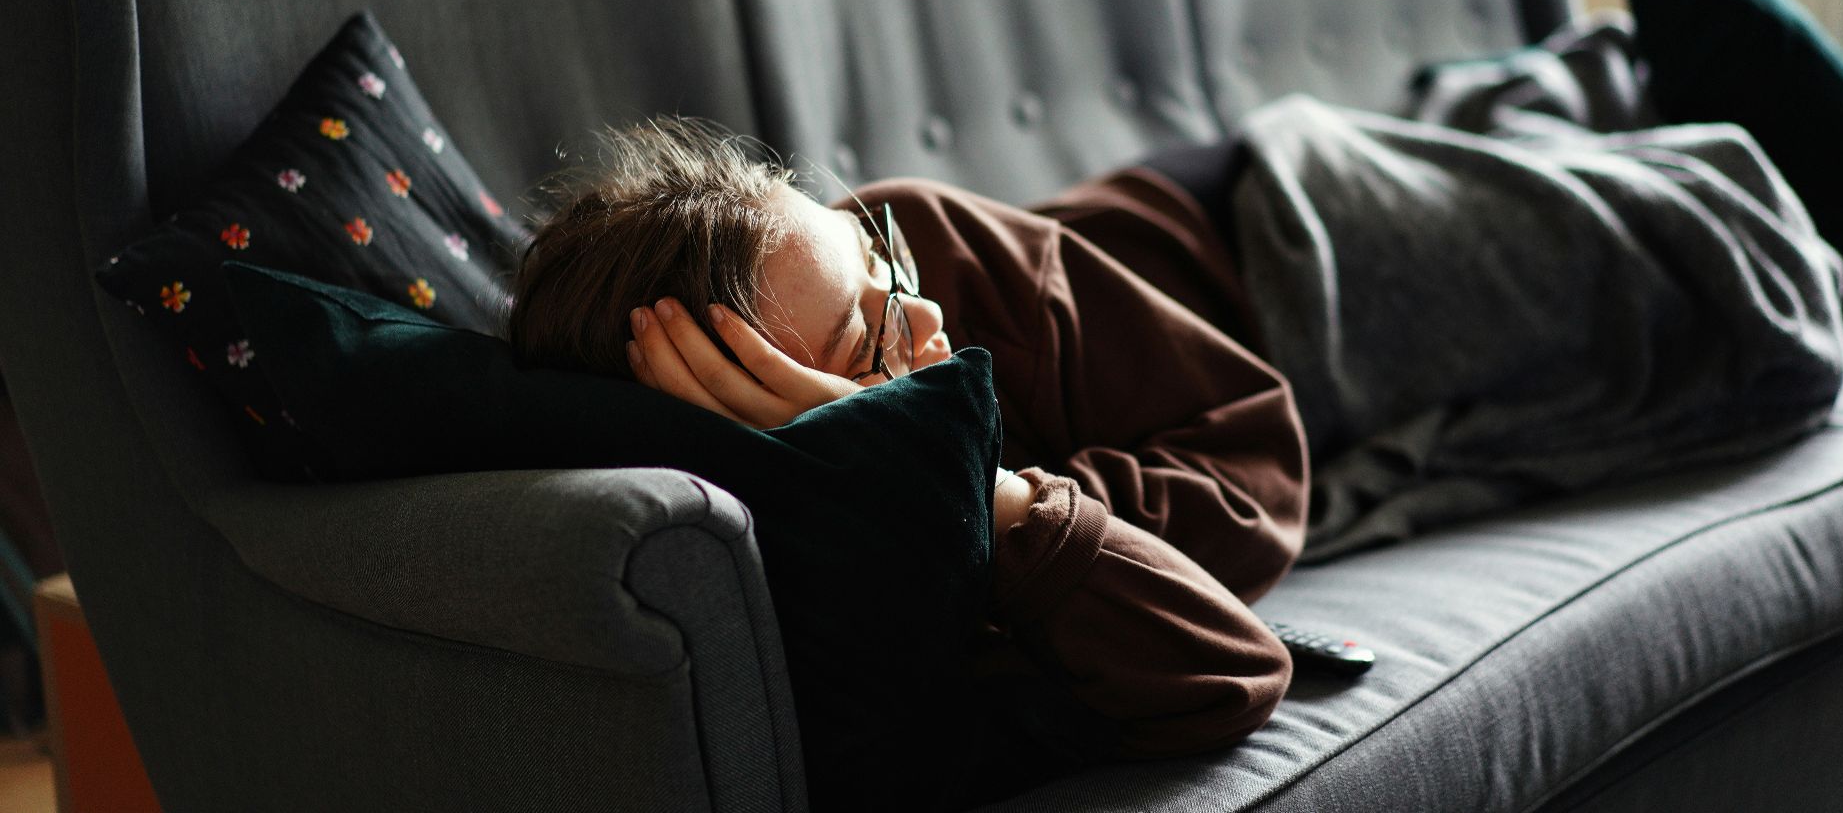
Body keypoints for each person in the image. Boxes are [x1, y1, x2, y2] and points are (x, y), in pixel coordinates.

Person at [507, 118, 1310, 763]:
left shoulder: (928, 239)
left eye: (874, 256)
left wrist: (997, 494)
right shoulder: (843, 558)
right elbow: (1227, 669)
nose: (922, 315)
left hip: (1268, 221)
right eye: (867, 342)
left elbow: (1259, 473)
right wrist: (968, 485)